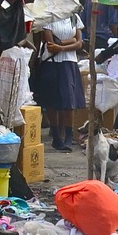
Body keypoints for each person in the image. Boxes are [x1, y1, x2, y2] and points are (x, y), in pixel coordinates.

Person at [37, 12, 85, 151]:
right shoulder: (49, 17)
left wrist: (62, 46)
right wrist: (71, 41)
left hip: (69, 62)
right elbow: (51, 45)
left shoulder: (74, 18)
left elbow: (79, 43)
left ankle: (69, 136)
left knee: (69, 101)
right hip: (51, 62)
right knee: (52, 101)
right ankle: (56, 137)